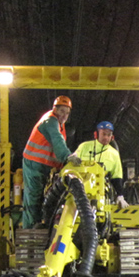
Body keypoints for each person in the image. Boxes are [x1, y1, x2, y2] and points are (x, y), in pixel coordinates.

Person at [21, 95, 81, 228]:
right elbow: (57, 141)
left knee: (45, 199)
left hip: (45, 167)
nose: (64, 115)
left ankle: (41, 227)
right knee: (33, 199)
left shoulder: (61, 125)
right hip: (34, 165)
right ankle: (30, 232)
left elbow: (56, 146)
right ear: (55, 109)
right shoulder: (50, 121)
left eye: (67, 113)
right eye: (61, 111)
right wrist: (67, 157)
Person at [74, 120, 129, 208]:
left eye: (109, 135)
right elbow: (73, 164)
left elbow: (116, 176)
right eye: (103, 134)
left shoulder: (114, 154)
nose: (106, 137)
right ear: (96, 134)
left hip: (101, 191)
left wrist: (120, 196)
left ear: (112, 137)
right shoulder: (84, 146)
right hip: (80, 188)